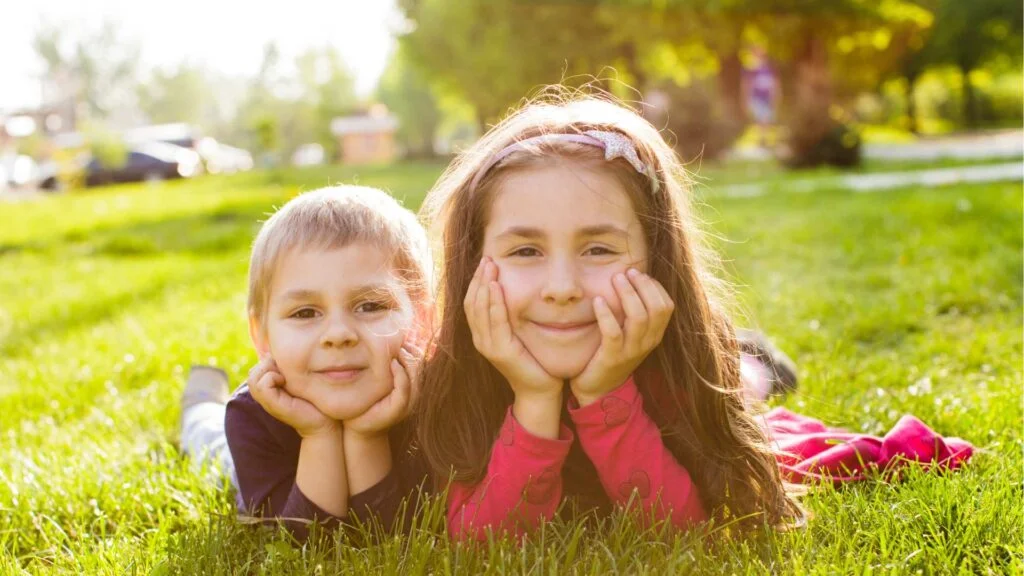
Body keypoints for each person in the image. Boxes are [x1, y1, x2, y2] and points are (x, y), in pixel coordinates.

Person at [415, 94, 805, 541]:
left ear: (656, 259)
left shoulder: (689, 363)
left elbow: (693, 534)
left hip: (706, 358)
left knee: (748, 376)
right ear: (473, 263)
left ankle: (752, 355)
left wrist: (605, 394)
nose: (562, 288)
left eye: (598, 249)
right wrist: (535, 398)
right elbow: (485, 544)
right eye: (526, 251)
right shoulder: (451, 375)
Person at [179, 185, 432, 537]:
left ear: (422, 319)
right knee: (208, 440)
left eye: (370, 306)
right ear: (262, 336)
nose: (338, 334)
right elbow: (304, 542)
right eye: (305, 312)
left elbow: (384, 536)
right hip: (244, 451)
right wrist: (318, 434)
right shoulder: (251, 417)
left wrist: (365, 435)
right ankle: (200, 400)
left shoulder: (440, 403)